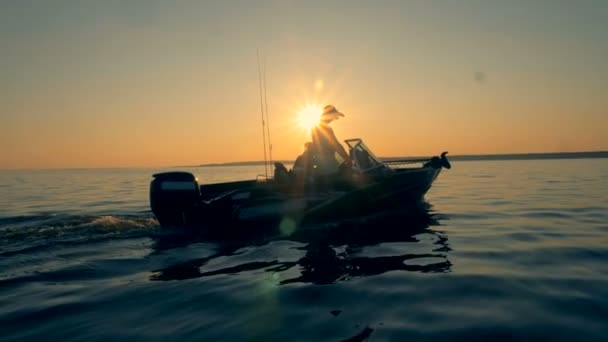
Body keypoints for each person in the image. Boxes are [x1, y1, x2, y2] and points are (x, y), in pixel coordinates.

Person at [310, 105, 353, 175]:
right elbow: (336, 145)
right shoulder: (325, 128)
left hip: (321, 160)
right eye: (333, 116)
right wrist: (347, 158)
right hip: (327, 161)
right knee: (347, 174)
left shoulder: (315, 127)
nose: (333, 119)